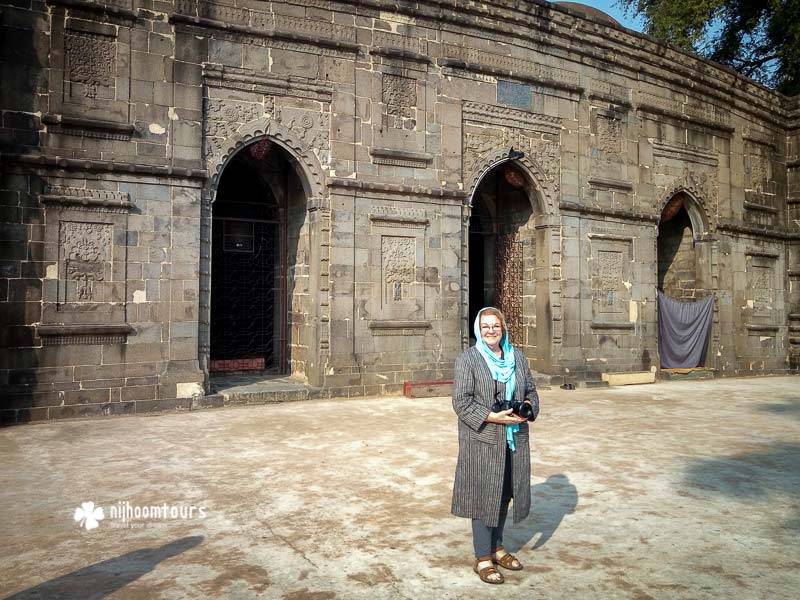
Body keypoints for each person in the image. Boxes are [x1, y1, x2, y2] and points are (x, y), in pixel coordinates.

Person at [451, 306, 539, 584]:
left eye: (495, 326)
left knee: (504, 495)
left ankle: (497, 547)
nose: (491, 331)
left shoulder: (518, 358)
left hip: (514, 439)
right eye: (485, 326)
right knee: (483, 497)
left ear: (503, 329)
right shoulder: (469, 359)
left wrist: (526, 406)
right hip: (483, 439)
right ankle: (482, 557)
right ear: (478, 329)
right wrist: (492, 417)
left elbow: (532, 391)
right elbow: (461, 401)